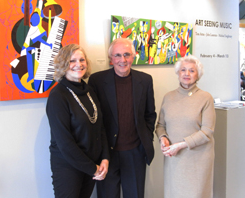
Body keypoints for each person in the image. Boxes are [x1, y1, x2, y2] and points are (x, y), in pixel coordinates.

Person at [88, 38, 157, 198]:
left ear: (133, 56)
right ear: (111, 59)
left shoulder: (145, 80)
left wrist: (144, 139)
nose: (122, 60)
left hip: (135, 153)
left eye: (127, 55)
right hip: (107, 154)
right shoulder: (97, 81)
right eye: (117, 55)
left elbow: (150, 115)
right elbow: (94, 120)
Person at [46, 44, 109, 198]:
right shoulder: (57, 96)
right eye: (72, 61)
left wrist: (105, 158)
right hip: (68, 167)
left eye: (82, 59)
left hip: (92, 165)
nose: (78, 64)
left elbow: (100, 128)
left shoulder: (88, 90)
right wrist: (93, 168)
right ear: (63, 64)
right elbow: (65, 143)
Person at [155, 55, 216, 198]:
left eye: (192, 71)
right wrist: (163, 138)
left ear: (198, 75)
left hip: (198, 159)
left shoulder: (205, 98)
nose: (187, 74)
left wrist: (180, 145)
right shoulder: (168, 97)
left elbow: (207, 131)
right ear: (177, 73)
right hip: (174, 159)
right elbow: (160, 125)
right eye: (183, 70)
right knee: (174, 193)